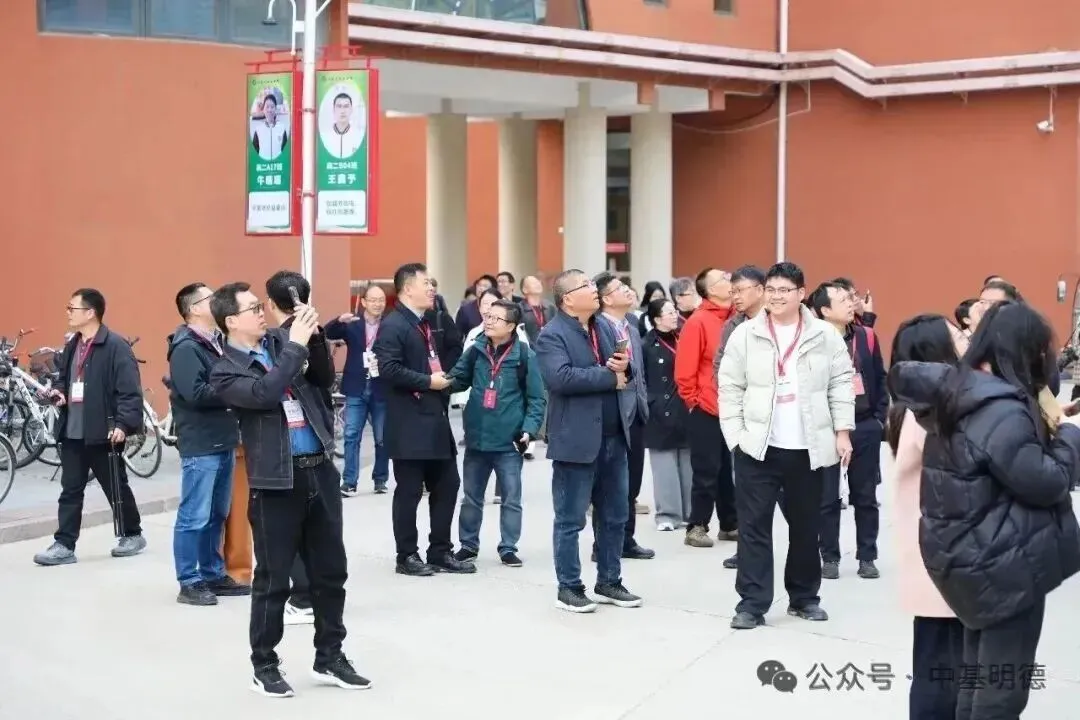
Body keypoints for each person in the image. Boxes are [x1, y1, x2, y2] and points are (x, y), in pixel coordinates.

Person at [889, 300, 1080, 718]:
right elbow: (1047, 481)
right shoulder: (1000, 407)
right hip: (1003, 566)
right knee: (1000, 693)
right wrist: (1070, 435)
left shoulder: (960, 396)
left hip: (974, 559)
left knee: (975, 682)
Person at [209, 282, 367, 697]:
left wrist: (313, 336)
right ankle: (264, 665)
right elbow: (265, 393)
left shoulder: (282, 341)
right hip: (276, 481)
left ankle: (330, 656)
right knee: (274, 579)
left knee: (331, 572)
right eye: (252, 308)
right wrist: (296, 345)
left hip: (319, 471)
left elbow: (322, 377)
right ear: (231, 321)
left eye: (260, 306)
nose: (262, 312)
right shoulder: (225, 369)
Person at [718, 262, 855, 630]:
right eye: (772, 290)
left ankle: (804, 598)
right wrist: (736, 437)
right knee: (753, 528)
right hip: (757, 447)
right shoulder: (745, 334)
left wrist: (842, 431)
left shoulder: (824, 335)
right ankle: (752, 604)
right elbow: (729, 386)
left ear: (801, 293)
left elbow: (841, 382)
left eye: (785, 290)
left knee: (806, 527)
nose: (777, 297)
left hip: (808, 448)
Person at [534, 269, 642, 613]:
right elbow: (561, 378)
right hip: (576, 441)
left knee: (614, 516)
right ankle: (569, 587)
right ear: (568, 299)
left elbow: (624, 371)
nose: (594, 289)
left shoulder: (604, 327)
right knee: (570, 520)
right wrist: (610, 377)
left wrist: (624, 367)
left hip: (614, 438)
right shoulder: (552, 335)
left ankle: (609, 581)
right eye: (586, 286)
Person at [884, 314, 968, 720]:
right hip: (945, 557)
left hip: (933, 555)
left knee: (939, 665)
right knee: (942, 674)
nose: (966, 339)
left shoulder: (917, 407)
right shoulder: (933, 413)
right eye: (958, 335)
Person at [374, 262, 475, 577]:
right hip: (409, 422)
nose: (432, 288)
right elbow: (388, 369)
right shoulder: (394, 325)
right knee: (409, 492)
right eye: (426, 283)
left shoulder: (427, 322)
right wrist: (428, 381)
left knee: (448, 485)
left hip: (434, 417)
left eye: (432, 284)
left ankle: (440, 551)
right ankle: (406, 555)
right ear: (407, 289)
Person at [33, 289, 147, 566]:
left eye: (72, 308)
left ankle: (132, 533)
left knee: (115, 486)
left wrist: (123, 424)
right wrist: (59, 392)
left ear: (90, 312)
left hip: (103, 432)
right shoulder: (73, 344)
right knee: (70, 490)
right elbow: (63, 378)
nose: (68, 312)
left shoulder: (116, 346)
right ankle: (64, 544)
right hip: (72, 430)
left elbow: (130, 391)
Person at [447, 299, 546, 566]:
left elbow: (537, 398)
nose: (488, 321)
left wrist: (529, 430)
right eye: (488, 316)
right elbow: (457, 379)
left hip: (509, 442)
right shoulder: (475, 350)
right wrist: (430, 382)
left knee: (511, 499)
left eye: (496, 318)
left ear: (511, 326)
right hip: (477, 438)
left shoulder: (524, 355)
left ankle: (508, 547)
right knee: (471, 498)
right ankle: (468, 545)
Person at [264, 271, 337, 627]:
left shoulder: (284, 339)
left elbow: (315, 379)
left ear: (269, 303)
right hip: (310, 443)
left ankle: (306, 597)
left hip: (300, 446)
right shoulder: (307, 334)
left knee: (293, 531)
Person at [168, 283, 248, 605]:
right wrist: (235, 388)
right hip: (201, 443)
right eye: (210, 298)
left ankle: (213, 574)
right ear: (194, 309)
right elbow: (196, 393)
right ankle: (189, 580)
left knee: (217, 514)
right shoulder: (186, 347)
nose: (217, 302)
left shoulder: (215, 342)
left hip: (223, 439)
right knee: (194, 516)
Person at [808, 281, 888, 580]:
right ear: (824, 310)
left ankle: (867, 556)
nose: (851, 303)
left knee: (865, 496)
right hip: (826, 428)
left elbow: (880, 377)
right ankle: (829, 557)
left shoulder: (866, 336)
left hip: (864, 424)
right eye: (842, 300)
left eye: (850, 298)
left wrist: (878, 419)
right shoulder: (813, 341)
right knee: (827, 497)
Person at [675, 267, 737, 549]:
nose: (729, 280)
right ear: (710, 290)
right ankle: (697, 526)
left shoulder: (736, 318)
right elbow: (684, 370)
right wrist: (694, 401)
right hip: (706, 407)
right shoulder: (698, 321)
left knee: (726, 470)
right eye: (723, 278)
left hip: (733, 407)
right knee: (706, 469)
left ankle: (730, 524)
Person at [710, 264, 767, 568]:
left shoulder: (780, 322)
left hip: (782, 418)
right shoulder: (732, 326)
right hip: (747, 419)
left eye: (740, 290)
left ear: (760, 289)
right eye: (732, 291)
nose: (735, 297)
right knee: (747, 490)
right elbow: (720, 365)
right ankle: (747, 550)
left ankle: (816, 551)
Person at [594, 272, 653, 560]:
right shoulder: (598, 327)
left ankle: (626, 538)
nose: (628, 290)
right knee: (609, 484)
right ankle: (603, 545)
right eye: (620, 288)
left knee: (632, 481)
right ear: (606, 299)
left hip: (636, 410)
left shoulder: (631, 324)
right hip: (614, 412)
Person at [325, 281, 389, 495]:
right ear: (364, 302)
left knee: (382, 437)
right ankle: (350, 481)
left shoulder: (389, 325)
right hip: (356, 387)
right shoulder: (353, 324)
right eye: (373, 300)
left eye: (381, 300)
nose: (378, 304)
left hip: (381, 387)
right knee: (351, 435)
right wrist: (338, 320)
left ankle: (380, 479)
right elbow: (328, 332)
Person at [641, 299, 691, 530]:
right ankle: (668, 515)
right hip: (659, 409)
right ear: (657, 319)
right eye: (669, 312)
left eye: (675, 311)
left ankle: (690, 512)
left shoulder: (683, 337)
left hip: (684, 406)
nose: (674, 315)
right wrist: (651, 403)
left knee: (688, 463)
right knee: (664, 465)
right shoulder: (646, 344)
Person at [519, 274, 556, 345]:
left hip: (550, 347)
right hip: (530, 349)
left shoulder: (550, 307)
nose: (538, 284)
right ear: (524, 289)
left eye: (538, 282)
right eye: (533, 283)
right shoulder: (519, 309)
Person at [323, 92, 363, 158]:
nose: (342, 111)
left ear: (351, 109)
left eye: (346, 106)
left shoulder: (358, 137)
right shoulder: (325, 137)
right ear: (333, 110)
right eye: (339, 106)